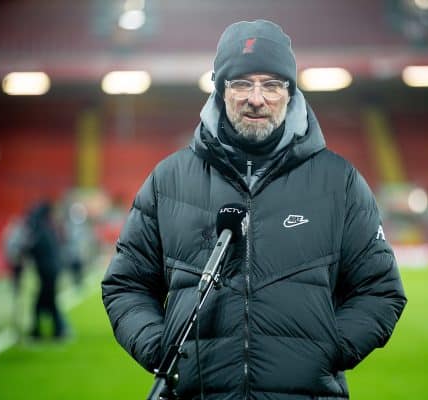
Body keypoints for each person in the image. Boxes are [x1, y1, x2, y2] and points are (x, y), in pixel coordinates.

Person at [102, 19, 406, 399]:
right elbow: (126, 284)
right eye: (242, 83)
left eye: (272, 84)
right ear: (219, 91)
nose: (256, 98)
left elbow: (379, 289)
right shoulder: (169, 180)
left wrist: (330, 349)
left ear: (290, 93)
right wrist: (159, 348)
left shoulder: (338, 182)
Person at [25, 201, 69, 339]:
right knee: (47, 303)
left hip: (48, 273)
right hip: (50, 272)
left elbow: (33, 249)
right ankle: (55, 330)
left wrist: (25, 251)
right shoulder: (47, 229)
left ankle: (56, 330)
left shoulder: (40, 231)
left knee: (45, 303)